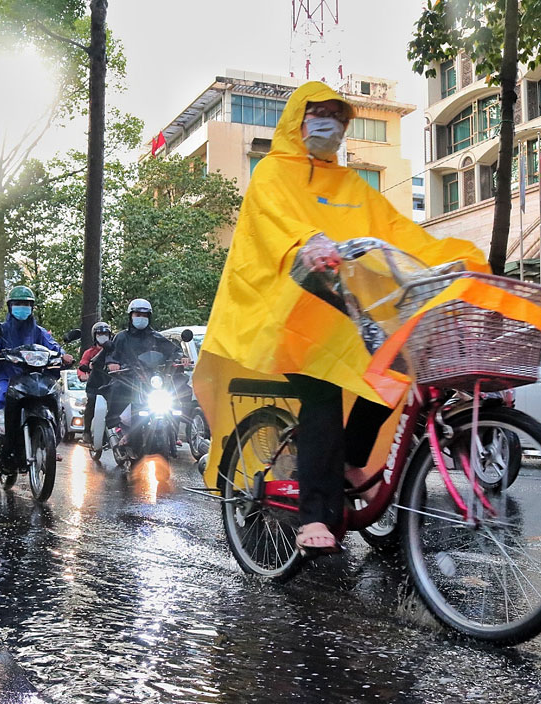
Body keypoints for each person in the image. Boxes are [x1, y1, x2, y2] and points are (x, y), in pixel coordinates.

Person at [192, 81, 489, 553]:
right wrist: (307, 241)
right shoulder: (272, 173)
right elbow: (273, 224)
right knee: (323, 394)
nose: (329, 123)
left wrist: (456, 259)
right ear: (298, 119)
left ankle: (352, 459)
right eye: (319, 112)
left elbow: (400, 232)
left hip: (345, 318)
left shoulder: (353, 186)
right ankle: (314, 514)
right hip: (286, 315)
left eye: (338, 115)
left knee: (399, 368)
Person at [0, 285, 73, 456]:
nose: (22, 308)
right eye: (18, 304)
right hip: (7, 375)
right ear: (10, 306)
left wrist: (63, 355)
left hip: (33, 376)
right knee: (0, 396)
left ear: (31, 308)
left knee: (53, 396)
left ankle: (52, 443)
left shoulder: (39, 331)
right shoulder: (1, 329)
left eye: (26, 304)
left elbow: (52, 346)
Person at [105, 298, 185, 428]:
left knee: (178, 392)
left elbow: (174, 350)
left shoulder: (156, 337)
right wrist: (113, 363)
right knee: (116, 388)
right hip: (128, 377)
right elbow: (112, 355)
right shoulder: (121, 337)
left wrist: (181, 357)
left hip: (153, 379)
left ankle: (175, 430)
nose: (141, 318)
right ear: (130, 316)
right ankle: (115, 422)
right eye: (138, 315)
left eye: (145, 315)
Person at [78, 321, 113, 444]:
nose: (103, 336)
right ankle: (86, 431)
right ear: (95, 336)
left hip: (110, 384)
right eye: (100, 333)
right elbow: (82, 365)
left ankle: (113, 432)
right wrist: (84, 372)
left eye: (105, 333)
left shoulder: (113, 350)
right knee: (91, 403)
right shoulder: (89, 352)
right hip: (94, 384)